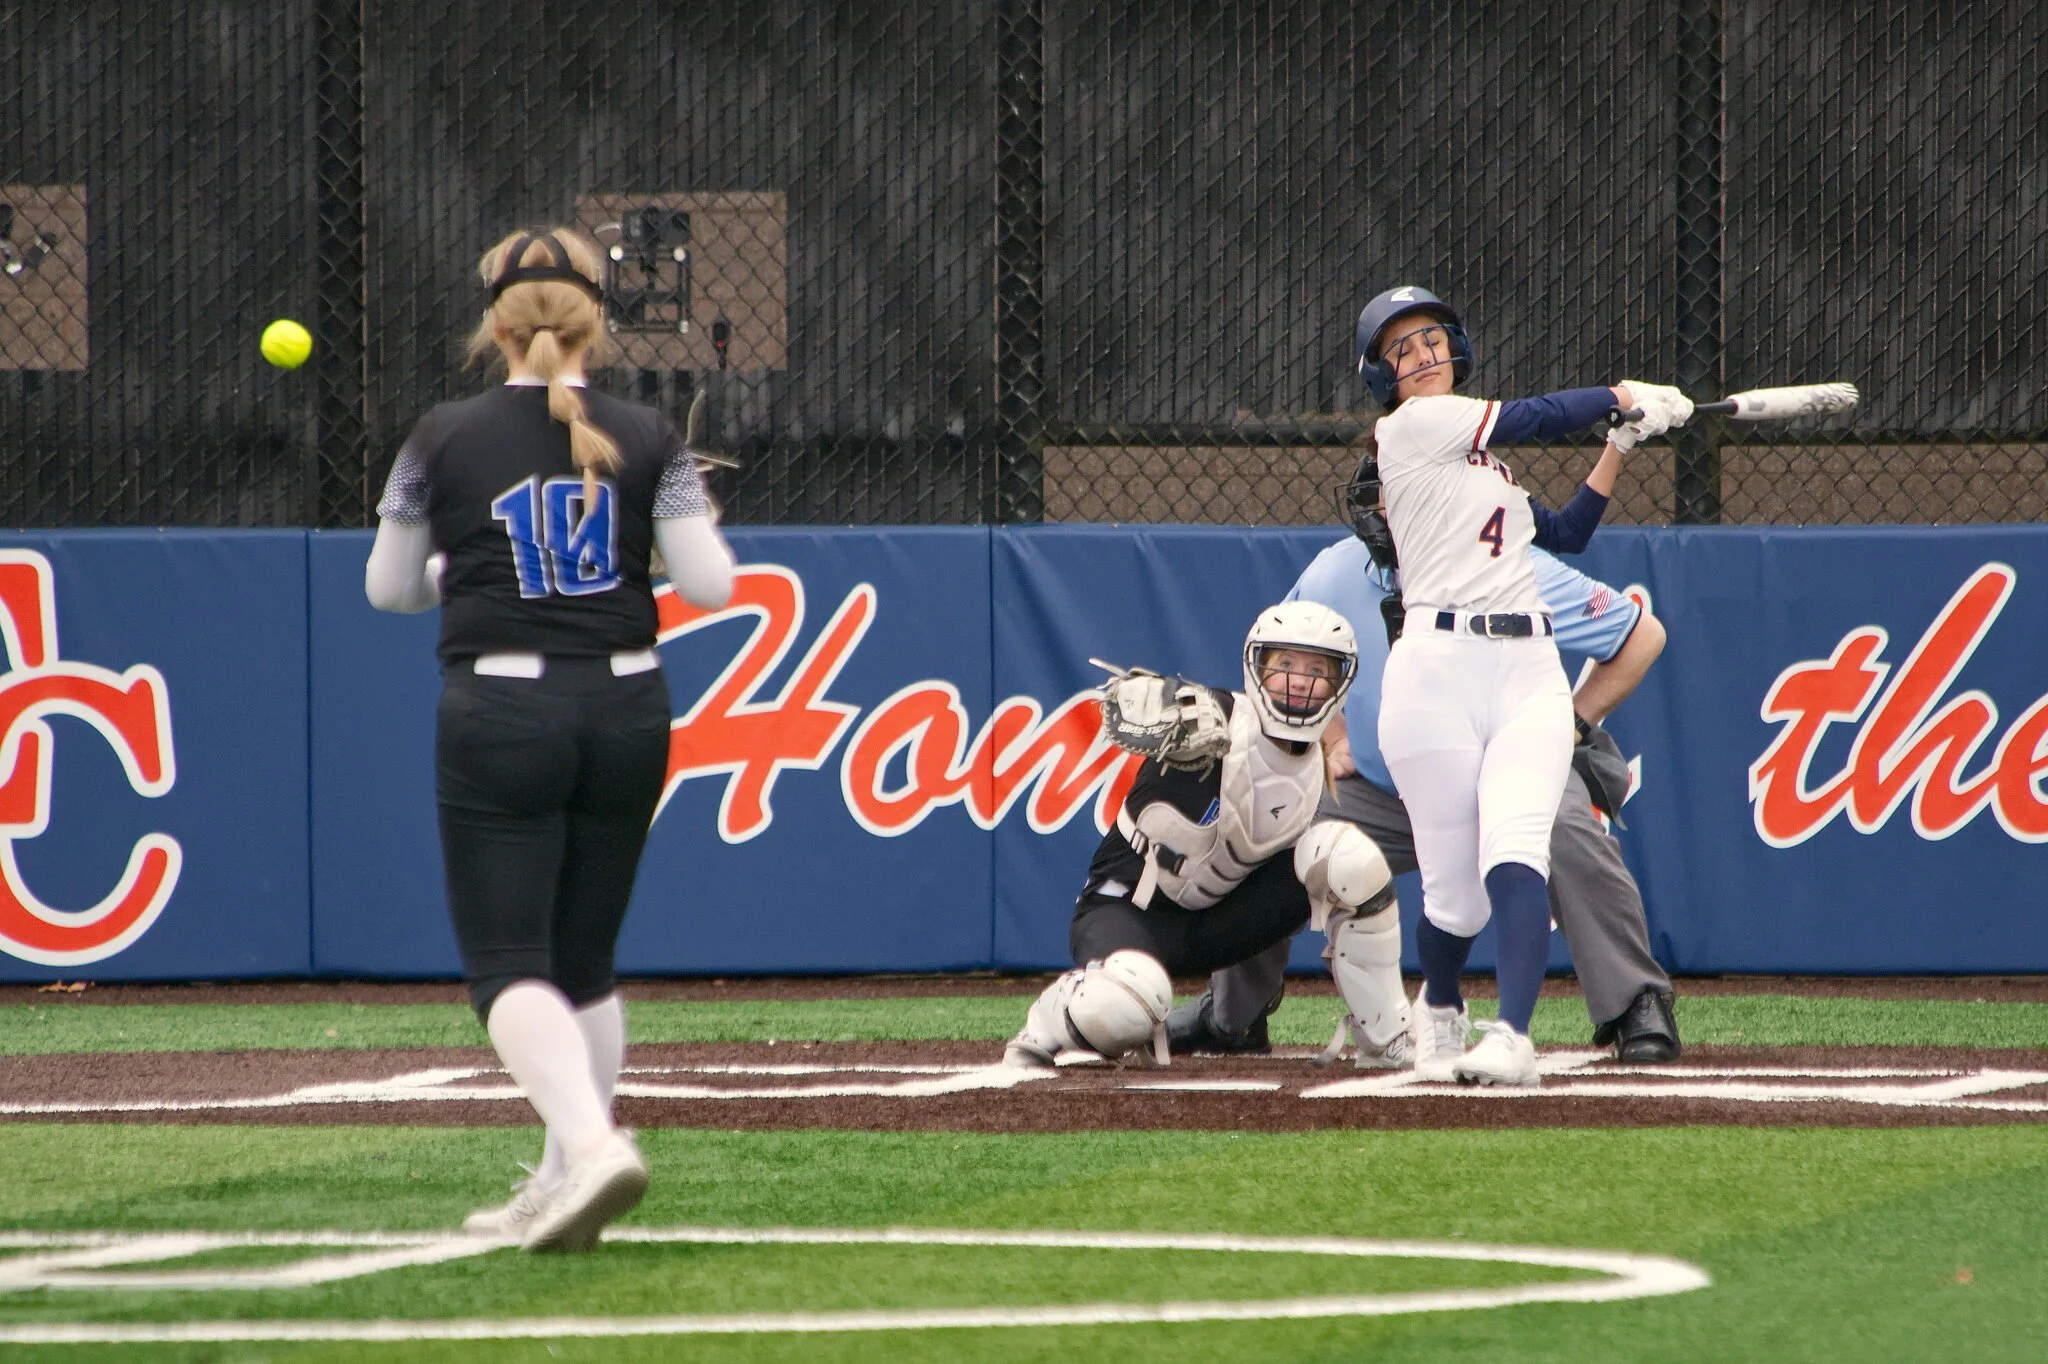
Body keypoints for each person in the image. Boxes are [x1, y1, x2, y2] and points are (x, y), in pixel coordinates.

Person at [364, 227, 736, 1250]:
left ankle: (591, 1142)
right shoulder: (647, 431)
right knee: (583, 960)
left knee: (506, 963)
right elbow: (710, 585)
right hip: (625, 708)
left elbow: (388, 589)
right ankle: (568, 1170)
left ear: (493, 319)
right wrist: (648, 540)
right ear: (594, 320)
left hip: (501, 708)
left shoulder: (441, 434)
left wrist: (460, 571)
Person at [1168, 450, 1682, 1067]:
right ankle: (1233, 1016)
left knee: (1568, 831)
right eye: (1387, 495)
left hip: (1502, 772)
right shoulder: (1337, 572)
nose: (1395, 508)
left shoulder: (1513, 569)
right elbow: (1289, 650)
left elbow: (1639, 635)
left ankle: (1636, 1003)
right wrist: (1331, 740)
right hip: (1385, 789)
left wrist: (1571, 724)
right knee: (1268, 827)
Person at [1334, 284, 1691, 1087]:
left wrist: (1619, 446)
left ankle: (1513, 1037)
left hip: (1527, 669)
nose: (1422, 355)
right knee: (1455, 901)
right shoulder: (1414, 427)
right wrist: (1624, 396)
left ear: (1454, 346)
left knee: (1517, 849)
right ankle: (1440, 1009)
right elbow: (1535, 413)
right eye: (1402, 348)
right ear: (1382, 376)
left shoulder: (1485, 463)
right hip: (1437, 671)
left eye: (1431, 339)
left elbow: (1564, 534)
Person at [1002, 602, 1407, 1070]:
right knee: (1122, 1004)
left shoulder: (1317, 764)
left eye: (1318, 669)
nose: (1300, 680)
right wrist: (1170, 713)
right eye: (1286, 665)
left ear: (1340, 682)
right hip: (1133, 909)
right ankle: (1047, 1022)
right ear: (1256, 667)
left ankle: (1386, 1036)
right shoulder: (1217, 718)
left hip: (1218, 923)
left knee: (1346, 857)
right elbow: (1173, 703)